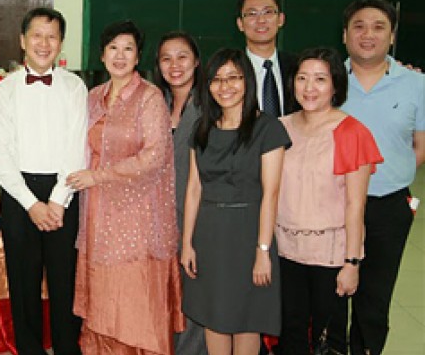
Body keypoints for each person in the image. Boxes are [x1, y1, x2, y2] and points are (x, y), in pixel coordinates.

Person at [67, 20, 184, 354]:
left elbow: (155, 157)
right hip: (97, 217)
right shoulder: (92, 98)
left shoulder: (150, 98)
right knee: (103, 301)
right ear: (102, 55)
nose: (120, 55)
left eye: (128, 49)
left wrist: (99, 176)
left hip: (138, 220)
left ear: (137, 57)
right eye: (113, 48)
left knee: (135, 303)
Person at [0, 7, 86, 355]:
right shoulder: (5, 89)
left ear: (61, 42)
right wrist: (31, 203)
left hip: (66, 193)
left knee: (65, 285)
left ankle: (66, 349)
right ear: (22, 41)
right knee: (23, 285)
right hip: (19, 196)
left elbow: (79, 146)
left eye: (52, 36)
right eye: (37, 35)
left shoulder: (76, 87)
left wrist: (58, 200)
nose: (44, 43)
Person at [180, 48, 290, 355]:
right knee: (214, 317)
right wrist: (187, 243)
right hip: (210, 235)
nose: (224, 86)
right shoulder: (201, 128)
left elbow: (271, 194)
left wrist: (263, 250)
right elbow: (193, 189)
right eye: (216, 79)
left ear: (247, 82)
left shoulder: (267, 128)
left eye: (234, 78)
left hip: (248, 235)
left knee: (246, 319)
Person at [275, 47, 382, 354]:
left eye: (320, 79)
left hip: (330, 254)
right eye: (302, 78)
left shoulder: (351, 132)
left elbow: (355, 205)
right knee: (290, 331)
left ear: (335, 84)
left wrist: (352, 263)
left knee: (328, 337)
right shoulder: (280, 127)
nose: (309, 88)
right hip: (286, 250)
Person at [339, 0, 425, 355]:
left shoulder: (416, 83)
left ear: (392, 36)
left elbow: (420, 144)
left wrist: (391, 174)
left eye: (378, 27)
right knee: (331, 291)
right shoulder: (327, 80)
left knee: (374, 296)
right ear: (345, 35)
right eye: (359, 26)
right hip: (333, 205)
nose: (368, 35)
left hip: (389, 206)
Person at [152, 31, 208, 355]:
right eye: (166, 58)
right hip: (160, 218)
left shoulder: (209, 106)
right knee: (168, 294)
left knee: (194, 293)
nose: (175, 65)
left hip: (198, 216)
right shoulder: (155, 103)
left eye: (182, 56)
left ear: (196, 61)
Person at [236, 0, 299, 117]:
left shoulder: (298, 67)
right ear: (240, 24)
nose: (261, 20)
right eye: (252, 14)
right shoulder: (230, 70)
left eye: (268, 12)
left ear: (281, 19)